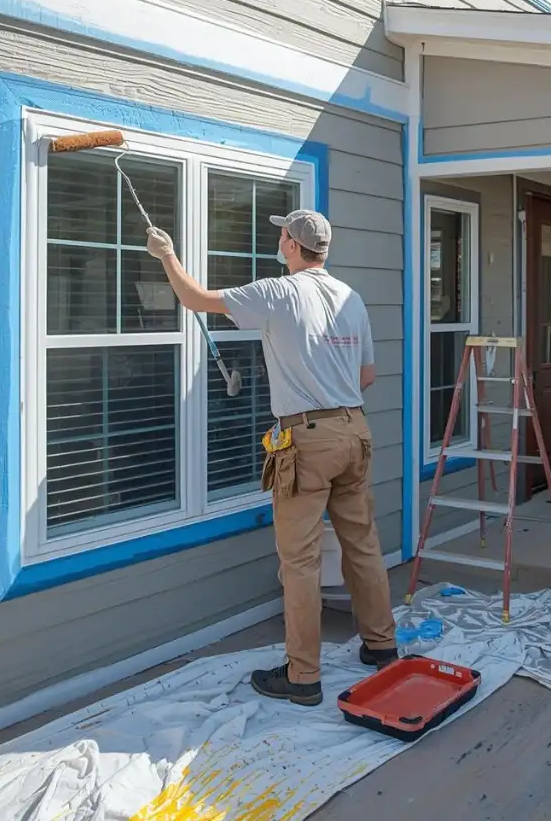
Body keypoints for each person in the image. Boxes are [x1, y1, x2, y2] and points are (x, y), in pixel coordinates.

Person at [146, 209, 397, 706]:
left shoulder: (280, 292)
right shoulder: (352, 298)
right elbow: (366, 376)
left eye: (282, 234)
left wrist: (168, 255)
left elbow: (196, 299)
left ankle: (302, 676)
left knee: (299, 560)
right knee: (363, 546)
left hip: (307, 437)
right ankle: (382, 646)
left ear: (290, 245)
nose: (278, 238)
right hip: (355, 430)